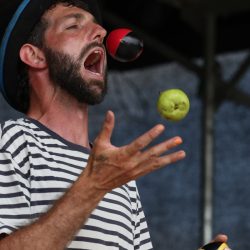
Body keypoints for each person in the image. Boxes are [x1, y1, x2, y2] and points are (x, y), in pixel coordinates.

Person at [0, 0, 229, 249]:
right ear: (35, 55)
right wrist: (93, 186)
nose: (101, 33)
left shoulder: (117, 171)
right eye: (73, 25)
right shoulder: (12, 141)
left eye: (97, 27)